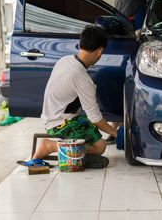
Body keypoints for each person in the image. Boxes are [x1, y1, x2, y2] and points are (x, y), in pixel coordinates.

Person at [32, 25, 117, 168]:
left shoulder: (65, 60)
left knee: (88, 128)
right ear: (100, 51)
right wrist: (115, 133)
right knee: (100, 147)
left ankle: (78, 154)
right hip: (60, 124)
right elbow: (94, 118)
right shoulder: (82, 78)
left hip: (53, 118)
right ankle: (50, 146)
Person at [105, 0, 162, 144]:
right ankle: (133, 127)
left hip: (123, 44)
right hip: (135, 43)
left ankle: (114, 130)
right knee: (137, 85)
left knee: (127, 83)